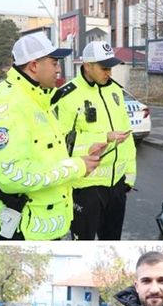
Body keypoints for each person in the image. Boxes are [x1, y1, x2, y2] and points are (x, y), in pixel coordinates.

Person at [0, 32, 104, 240]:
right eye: (54, 63)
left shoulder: (38, 100)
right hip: (16, 229)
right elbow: (12, 174)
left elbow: (45, 155)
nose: (59, 69)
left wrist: (82, 157)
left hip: (42, 225)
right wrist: (76, 167)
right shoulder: (6, 108)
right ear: (34, 66)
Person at [51, 41, 136, 241]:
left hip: (116, 185)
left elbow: (127, 135)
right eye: (104, 68)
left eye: (111, 68)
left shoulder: (115, 90)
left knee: (113, 242)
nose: (109, 73)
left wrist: (129, 177)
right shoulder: (67, 95)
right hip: (85, 187)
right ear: (88, 65)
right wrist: (102, 137)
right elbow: (60, 142)